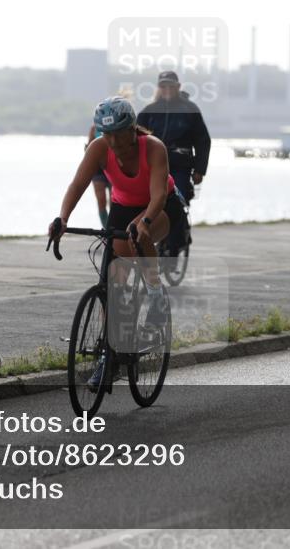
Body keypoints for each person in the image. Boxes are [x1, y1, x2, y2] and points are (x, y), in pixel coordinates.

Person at [49, 97, 185, 386]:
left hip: (162, 205)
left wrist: (146, 221)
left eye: (119, 135)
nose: (113, 141)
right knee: (114, 281)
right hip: (123, 208)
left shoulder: (153, 148)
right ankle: (108, 358)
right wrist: (62, 219)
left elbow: (159, 194)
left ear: (132, 129)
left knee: (139, 233)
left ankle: (156, 294)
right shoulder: (99, 148)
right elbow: (77, 184)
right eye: (106, 134)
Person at [136, 71, 210, 253]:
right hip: (153, 166)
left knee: (178, 202)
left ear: (178, 87)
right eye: (163, 86)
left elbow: (203, 140)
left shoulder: (190, 109)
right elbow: (135, 139)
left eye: (171, 85)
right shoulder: (149, 111)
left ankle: (176, 244)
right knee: (148, 202)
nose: (167, 89)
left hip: (180, 166)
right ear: (159, 88)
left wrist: (200, 169)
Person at [86, 124, 112, 227]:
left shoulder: (116, 128)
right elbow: (89, 148)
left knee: (114, 200)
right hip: (98, 169)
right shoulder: (94, 128)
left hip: (111, 166)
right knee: (101, 200)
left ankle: (114, 226)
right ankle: (106, 229)